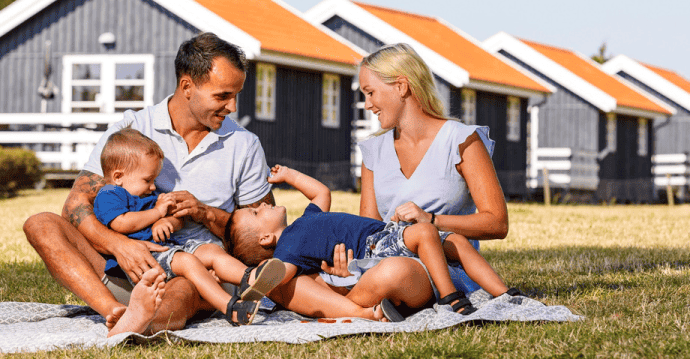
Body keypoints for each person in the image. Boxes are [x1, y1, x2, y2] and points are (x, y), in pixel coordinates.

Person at [23, 32, 276, 335]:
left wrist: (205, 213)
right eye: (222, 96)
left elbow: (263, 242)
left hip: (192, 277)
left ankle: (142, 326)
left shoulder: (244, 145)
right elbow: (75, 206)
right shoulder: (132, 129)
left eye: (236, 95)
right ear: (187, 87)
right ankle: (114, 312)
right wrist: (120, 246)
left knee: (183, 285)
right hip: (118, 268)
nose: (232, 107)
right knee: (40, 224)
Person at [268, 42, 512, 316]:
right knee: (285, 278)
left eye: (371, 92)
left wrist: (432, 221)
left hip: (444, 264)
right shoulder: (373, 151)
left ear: (401, 86)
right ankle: (362, 307)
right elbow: (369, 227)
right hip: (385, 256)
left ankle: (341, 307)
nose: (367, 104)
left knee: (393, 273)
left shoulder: (462, 140)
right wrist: (347, 264)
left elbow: (497, 223)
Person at [229, 165, 511, 319]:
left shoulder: (306, 219)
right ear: (265, 238)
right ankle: (451, 299)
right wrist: (259, 283)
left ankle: (505, 293)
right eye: (255, 212)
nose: (262, 204)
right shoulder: (288, 247)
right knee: (425, 233)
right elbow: (282, 275)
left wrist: (289, 175)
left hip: (387, 233)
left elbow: (321, 194)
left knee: (457, 241)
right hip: (376, 248)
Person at [94, 127, 285, 332]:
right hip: (144, 256)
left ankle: (250, 278)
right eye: (147, 180)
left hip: (169, 247)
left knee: (211, 251)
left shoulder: (145, 197)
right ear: (118, 176)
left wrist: (166, 222)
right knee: (187, 262)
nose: (152, 187)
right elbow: (122, 223)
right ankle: (231, 307)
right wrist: (157, 214)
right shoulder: (110, 194)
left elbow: (177, 220)